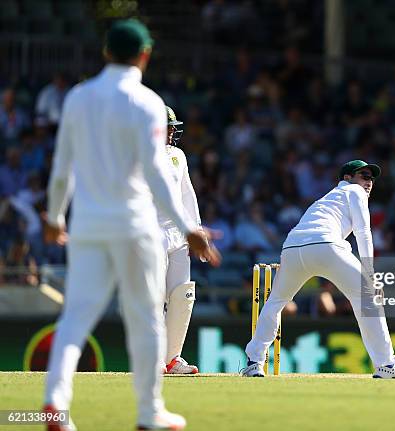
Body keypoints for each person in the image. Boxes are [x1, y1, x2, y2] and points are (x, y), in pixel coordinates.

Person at [42, 19, 221, 431]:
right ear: (144, 55)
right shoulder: (149, 103)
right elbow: (158, 177)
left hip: (87, 224)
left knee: (76, 315)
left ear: (106, 53)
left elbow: (61, 169)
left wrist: (54, 218)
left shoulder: (78, 98)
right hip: (136, 224)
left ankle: (55, 400)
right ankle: (149, 412)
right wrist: (187, 227)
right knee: (146, 316)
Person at [241, 160, 395, 379]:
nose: (368, 182)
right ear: (347, 178)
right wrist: (371, 274)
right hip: (325, 245)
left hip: (292, 246)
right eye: (363, 176)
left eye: (371, 178)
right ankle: (385, 363)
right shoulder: (355, 191)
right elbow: (363, 232)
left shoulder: (325, 199)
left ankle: (254, 361)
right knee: (367, 299)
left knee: (275, 302)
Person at [160, 106, 202, 375]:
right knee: (154, 298)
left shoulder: (178, 155)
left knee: (183, 295)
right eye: (168, 126)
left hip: (178, 235)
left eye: (174, 126)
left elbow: (187, 194)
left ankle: (173, 359)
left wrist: (196, 231)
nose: (173, 131)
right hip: (149, 235)